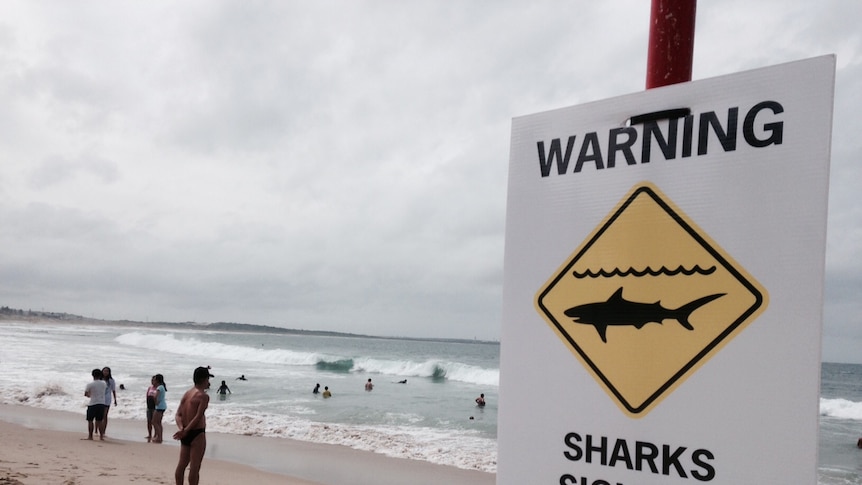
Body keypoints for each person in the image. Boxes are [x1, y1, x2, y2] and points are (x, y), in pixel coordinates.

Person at [174, 366, 212, 485]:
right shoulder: (203, 396)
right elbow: (198, 416)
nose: (209, 382)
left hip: (185, 432)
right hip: (196, 433)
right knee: (195, 468)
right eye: (207, 379)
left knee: (181, 465)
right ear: (204, 379)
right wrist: (186, 430)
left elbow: (178, 414)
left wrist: (182, 429)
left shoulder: (187, 393)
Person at [84, 368, 107, 440]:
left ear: (92, 375)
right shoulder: (104, 383)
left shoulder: (90, 384)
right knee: (100, 421)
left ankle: (90, 436)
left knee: (90, 420)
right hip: (102, 403)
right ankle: (101, 437)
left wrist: (90, 395)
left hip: (93, 403)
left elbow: (86, 394)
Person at [100, 366, 117, 437]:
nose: (105, 372)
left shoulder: (111, 380)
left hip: (107, 399)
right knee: (99, 415)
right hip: (99, 399)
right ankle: (98, 430)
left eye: (107, 371)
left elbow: (113, 390)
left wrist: (115, 399)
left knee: (105, 415)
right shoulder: (99, 379)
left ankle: (103, 431)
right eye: (104, 371)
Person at [152, 374, 167, 443]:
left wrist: (156, 402)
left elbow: (155, 396)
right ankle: (159, 437)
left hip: (159, 407)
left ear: (157, 380)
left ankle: (159, 437)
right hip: (162, 406)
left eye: (154, 380)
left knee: (155, 422)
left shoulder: (159, 387)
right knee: (158, 422)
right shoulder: (162, 387)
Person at [146, 375, 159, 442]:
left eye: (153, 380)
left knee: (154, 421)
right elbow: (147, 396)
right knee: (149, 421)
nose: (152, 381)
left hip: (155, 407)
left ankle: (156, 434)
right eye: (151, 380)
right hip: (149, 406)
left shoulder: (158, 389)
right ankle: (149, 434)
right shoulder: (150, 388)